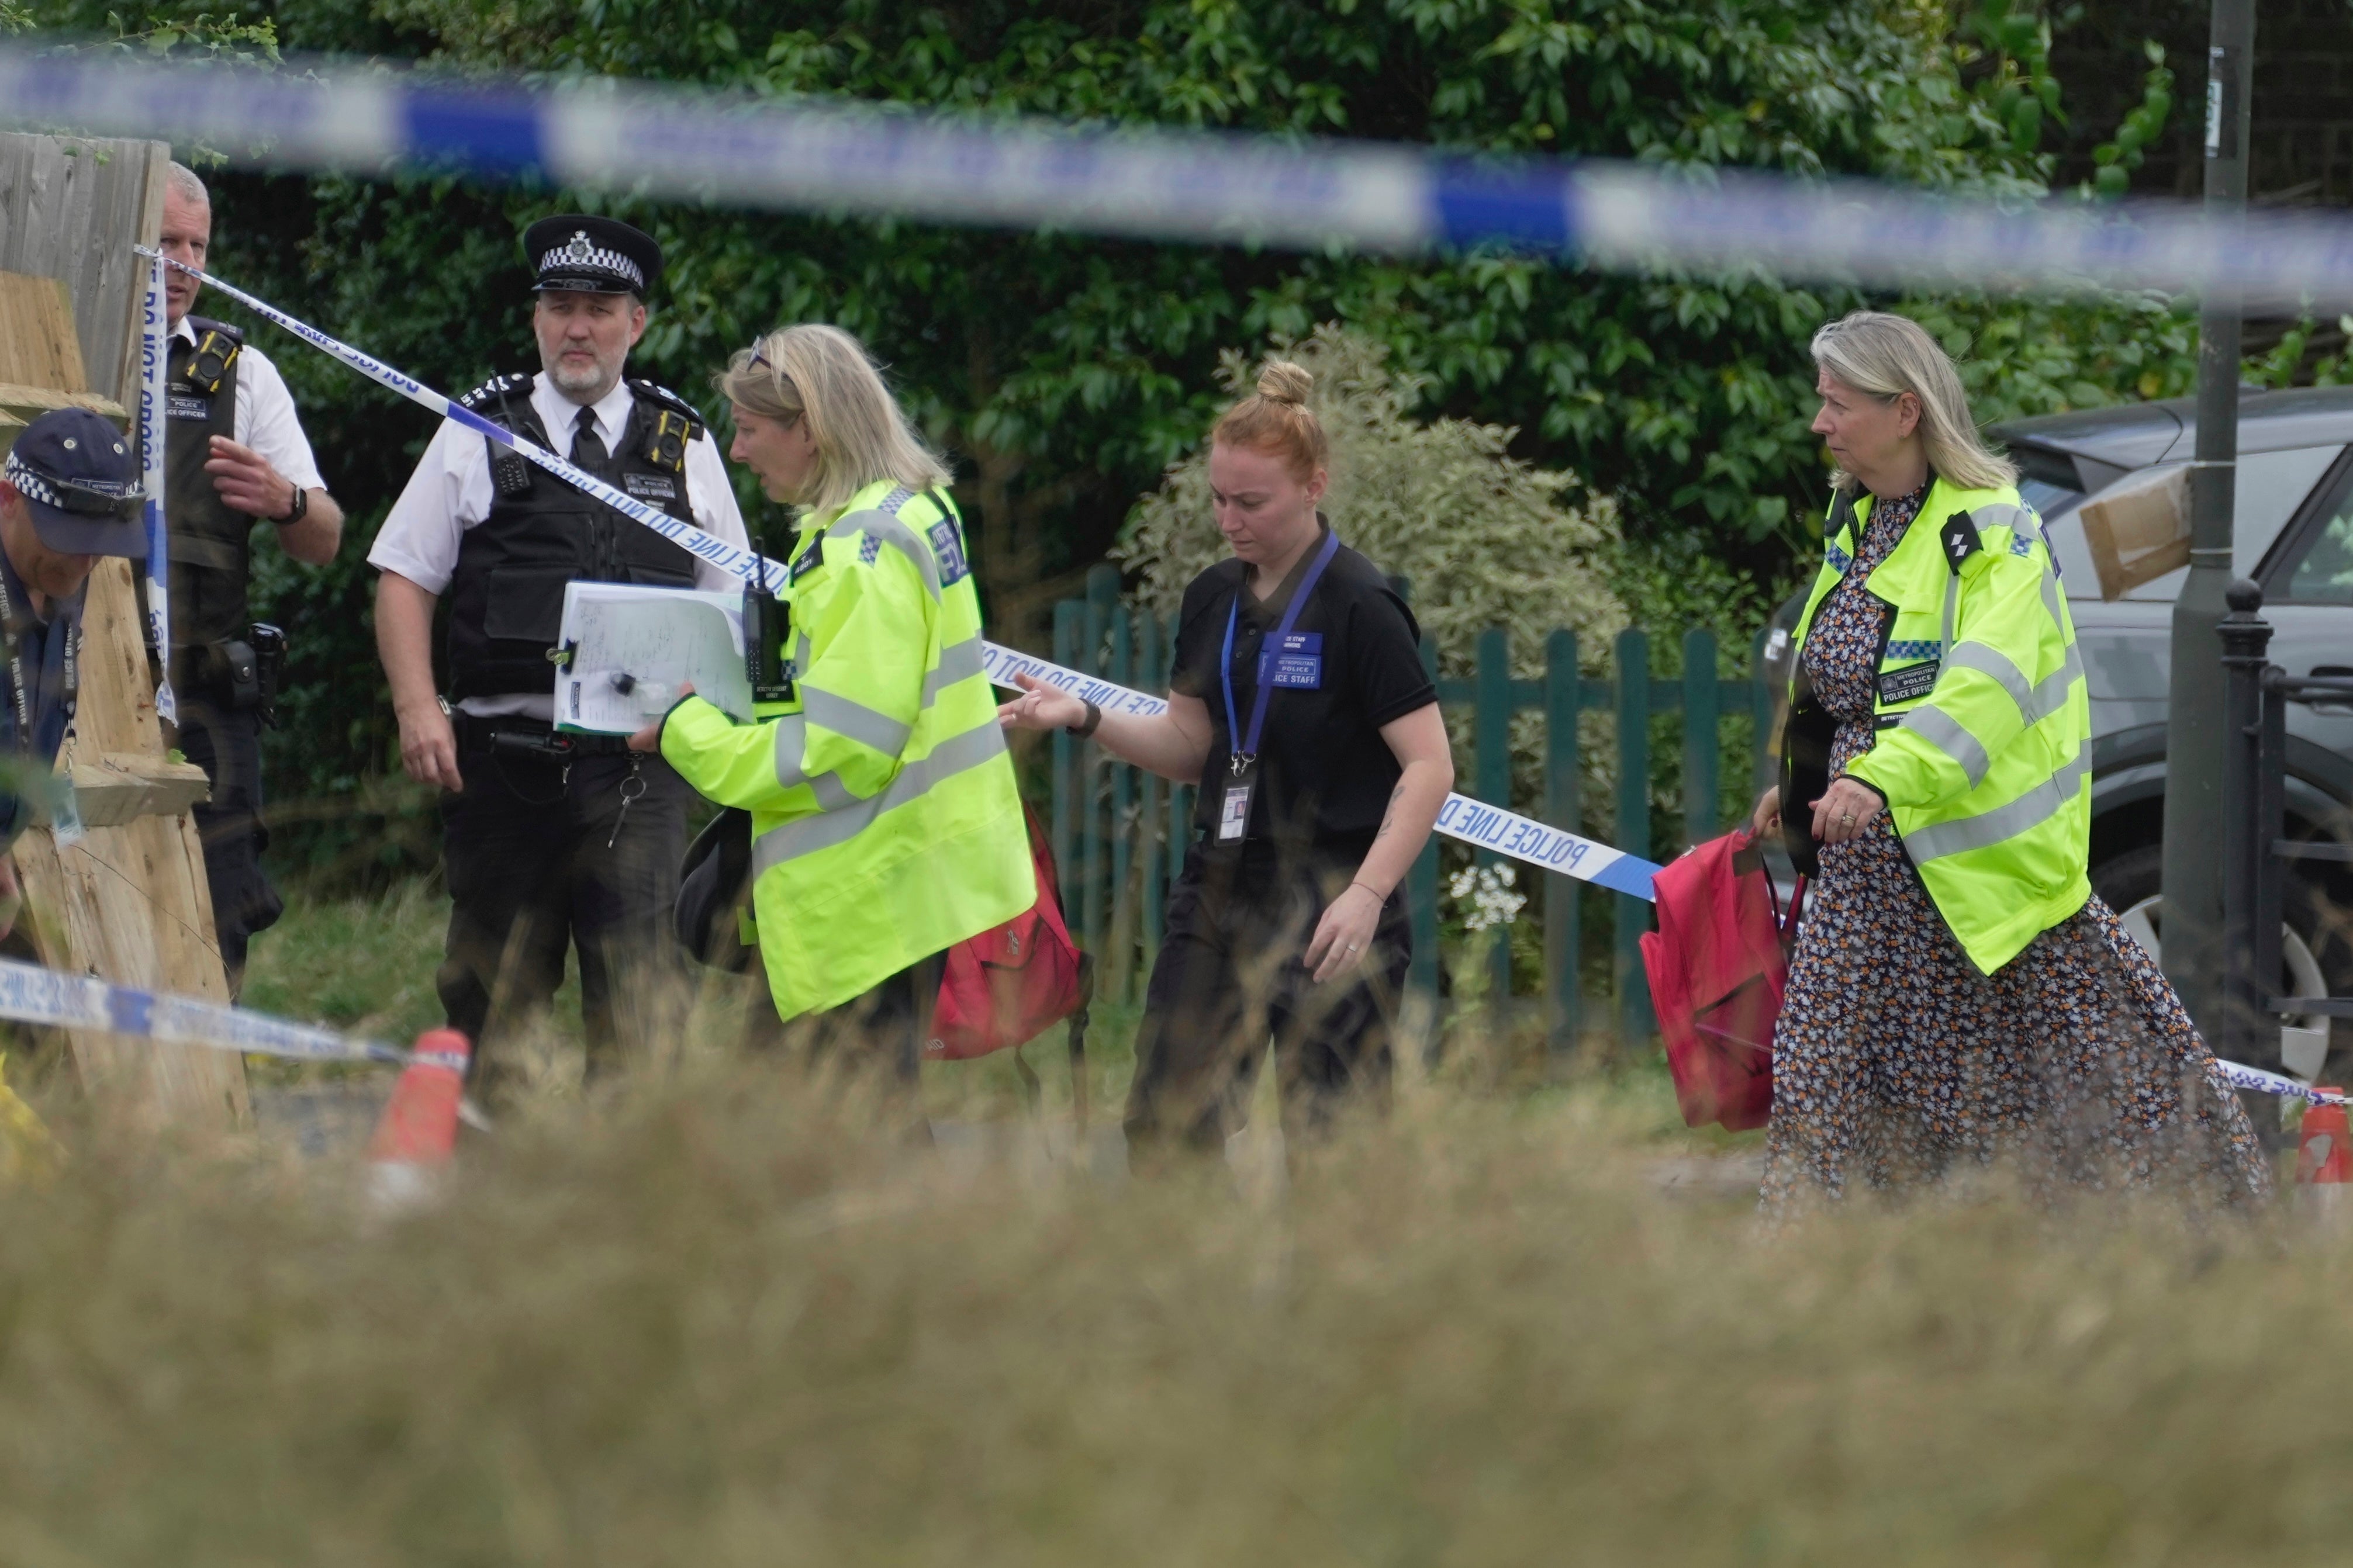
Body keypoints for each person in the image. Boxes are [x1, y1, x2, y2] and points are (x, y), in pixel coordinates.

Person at [1751, 309, 2269, 1213]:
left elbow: (1982, 690)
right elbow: (1840, 684)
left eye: (1837, 403)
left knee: (2118, 1119)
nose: (1818, 422)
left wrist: (1879, 776)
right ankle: (1812, 1296)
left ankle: (2203, 1273)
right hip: (1863, 893)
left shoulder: (1998, 532)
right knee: (1818, 1108)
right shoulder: (1858, 517)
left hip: (1988, 899)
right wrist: (1799, 786)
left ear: (1904, 410)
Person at [997, 362, 1452, 1159]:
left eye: (1251, 502)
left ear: (1315, 485)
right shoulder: (1212, 595)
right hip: (1219, 887)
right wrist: (1086, 716)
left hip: (1333, 901)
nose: (1229, 520)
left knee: (1333, 1144)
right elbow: (1189, 747)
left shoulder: (1361, 604)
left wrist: (1367, 893)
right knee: (1166, 1127)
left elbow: (1429, 767)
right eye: (1218, 498)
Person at [371, 214, 750, 1092]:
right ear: (537, 318)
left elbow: (728, 597)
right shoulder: (480, 427)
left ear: (637, 323)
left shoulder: (682, 441)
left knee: (639, 1009)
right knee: (491, 1004)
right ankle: (494, 1208)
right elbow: (402, 575)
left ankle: (622, 1210)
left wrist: (709, 724)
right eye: (562, 307)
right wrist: (417, 706)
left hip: (638, 772)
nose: (579, 327)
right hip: (504, 769)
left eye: (600, 308)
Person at [632, 323, 1032, 1095]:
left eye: (749, 430)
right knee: (855, 1145)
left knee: (824, 1154)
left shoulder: (859, 552)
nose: (739, 452)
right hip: (906, 880)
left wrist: (691, 732)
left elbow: (841, 749)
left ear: (810, 429)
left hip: (864, 902)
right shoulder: (912, 512)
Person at [154, 161, 345, 993]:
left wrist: (286, 497)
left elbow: (326, 540)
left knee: (221, 908)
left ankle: (217, 1105)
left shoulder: (242, 371)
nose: (182, 265)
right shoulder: (62, 343)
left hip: (206, 695)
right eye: (165, 241)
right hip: (74, 686)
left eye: (197, 246)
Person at [0, 411, 153, 933]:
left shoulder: (64, 575)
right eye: (68, 538)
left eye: (99, 544)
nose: (84, 564)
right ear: (7, 499)